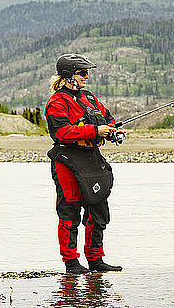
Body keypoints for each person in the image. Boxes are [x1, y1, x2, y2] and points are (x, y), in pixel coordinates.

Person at [45, 53, 125, 274]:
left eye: (86, 73)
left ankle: (95, 260)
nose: (86, 76)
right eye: (82, 73)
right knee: (70, 211)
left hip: (91, 158)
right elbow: (62, 132)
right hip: (67, 161)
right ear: (68, 76)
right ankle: (71, 263)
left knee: (98, 209)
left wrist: (112, 131)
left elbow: (106, 118)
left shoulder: (89, 98)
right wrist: (96, 130)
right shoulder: (56, 102)